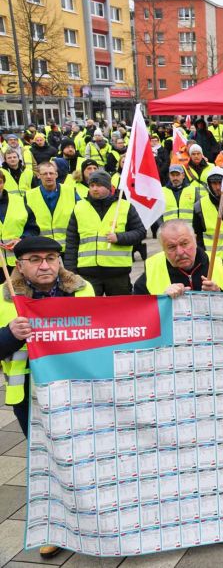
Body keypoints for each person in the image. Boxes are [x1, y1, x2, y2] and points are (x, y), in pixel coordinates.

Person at [0, 236, 94, 560]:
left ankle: (91, 514)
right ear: (20, 265)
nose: (45, 265)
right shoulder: (4, 299)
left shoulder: (83, 290)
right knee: (48, 461)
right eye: (36, 259)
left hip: (78, 390)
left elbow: (104, 331)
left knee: (84, 453)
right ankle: (55, 527)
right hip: (30, 397)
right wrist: (8, 334)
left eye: (51, 258)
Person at [64, 170, 145, 295]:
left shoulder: (124, 206)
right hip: (87, 273)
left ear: (108, 186)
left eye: (99, 185)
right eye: (92, 185)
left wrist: (120, 238)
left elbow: (140, 232)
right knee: (90, 312)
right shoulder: (79, 208)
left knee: (120, 311)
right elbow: (71, 242)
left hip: (117, 273)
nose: (95, 189)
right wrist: (71, 271)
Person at [133, 220, 223, 295]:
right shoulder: (152, 269)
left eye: (184, 244)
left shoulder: (222, 267)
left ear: (195, 240)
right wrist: (162, 301)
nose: (180, 252)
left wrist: (220, 294)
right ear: (163, 248)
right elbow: (139, 315)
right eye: (171, 247)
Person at [25, 162, 80, 250]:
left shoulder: (70, 191)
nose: (49, 176)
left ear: (56, 174)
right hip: (41, 248)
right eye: (45, 174)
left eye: (51, 173)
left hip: (68, 247)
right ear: (38, 175)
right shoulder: (29, 195)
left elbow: (81, 214)